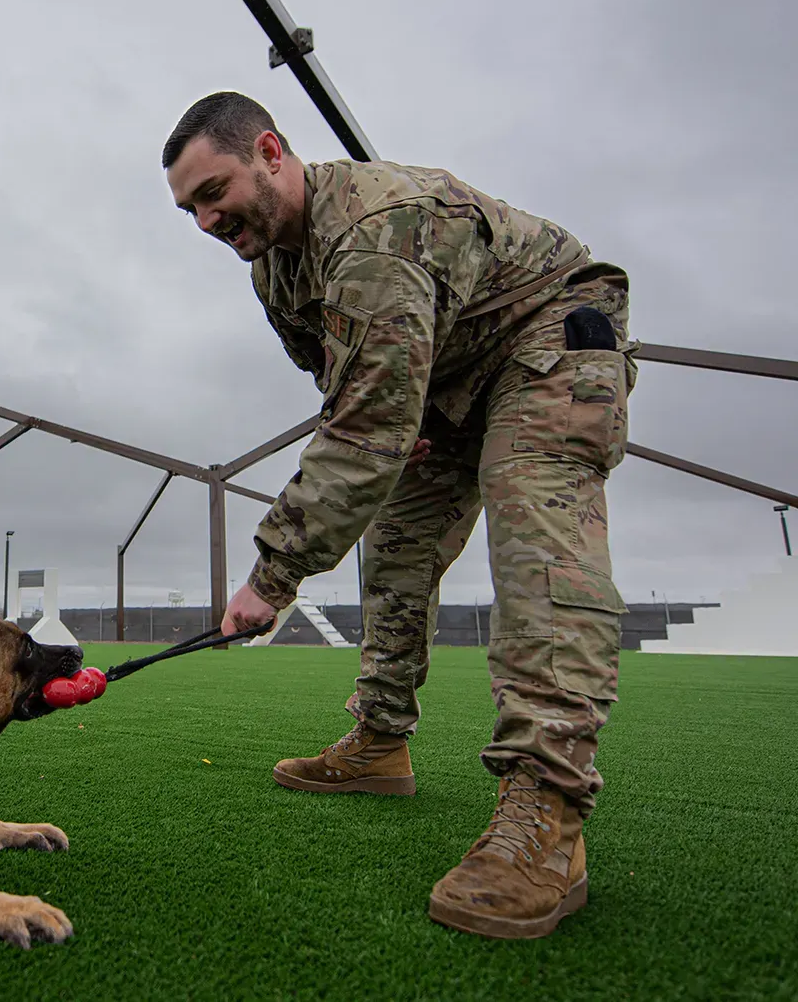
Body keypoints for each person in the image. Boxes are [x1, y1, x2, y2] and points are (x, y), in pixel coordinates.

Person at [163, 91, 635, 940]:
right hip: (444, 381)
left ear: (270, 151)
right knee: (394, 551)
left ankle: (547, 814)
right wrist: (398, 421)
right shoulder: (274, 266)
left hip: (547, 335)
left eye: (213, 191)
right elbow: (346, 388)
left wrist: (271, 576)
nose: (204, 220)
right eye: (189, 207)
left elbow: (363, 427)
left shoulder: (377, 231)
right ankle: (379, 743)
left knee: (537, 547)